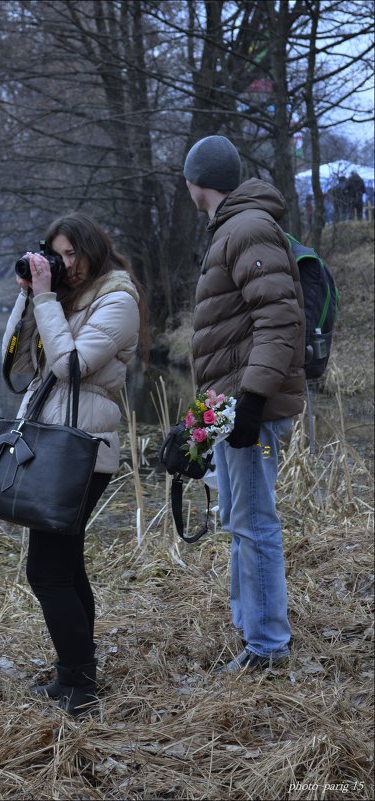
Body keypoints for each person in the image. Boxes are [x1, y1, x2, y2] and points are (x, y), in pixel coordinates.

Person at [1, 211, 147, 715]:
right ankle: (77, 676)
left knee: (46, 570)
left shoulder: (117, 300)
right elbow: (16, 362)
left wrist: (45, 299)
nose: (66, 264)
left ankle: (79, 687)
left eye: (72, 254)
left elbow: (71, 367)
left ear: (93, 248)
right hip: (56, 442)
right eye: (56, 256)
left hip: (82, 449)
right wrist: (30, 293)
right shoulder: (63, 299)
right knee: (64, 563)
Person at [183, 135, 305, 674]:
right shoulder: (233, 228)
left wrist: (251, 402)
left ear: (197, 181)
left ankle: (266, 650)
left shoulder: (247, 227)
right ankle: (251, 630)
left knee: (255, 523)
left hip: (251, 407)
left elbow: (278, 322)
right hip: (233, 407)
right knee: (238, 517)